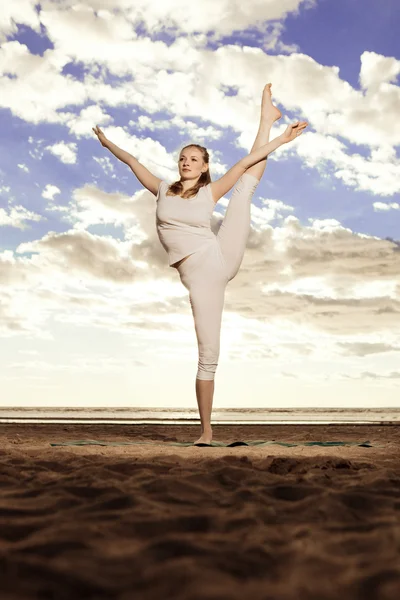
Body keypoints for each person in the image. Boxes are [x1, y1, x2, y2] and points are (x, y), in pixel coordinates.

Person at [93, 84, 307, 446]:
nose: (186, 161)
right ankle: (207, 430)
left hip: (219, 255)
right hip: (201, 276)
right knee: (208, 353)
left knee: (243, 188)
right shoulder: (162, 189)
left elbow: (243, 164)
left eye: (194, 158)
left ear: (205, 166)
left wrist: (280, 139)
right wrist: (107, 143)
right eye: (183, 157)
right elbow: (132, 162)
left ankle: (265, 119)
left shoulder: (209, 191)